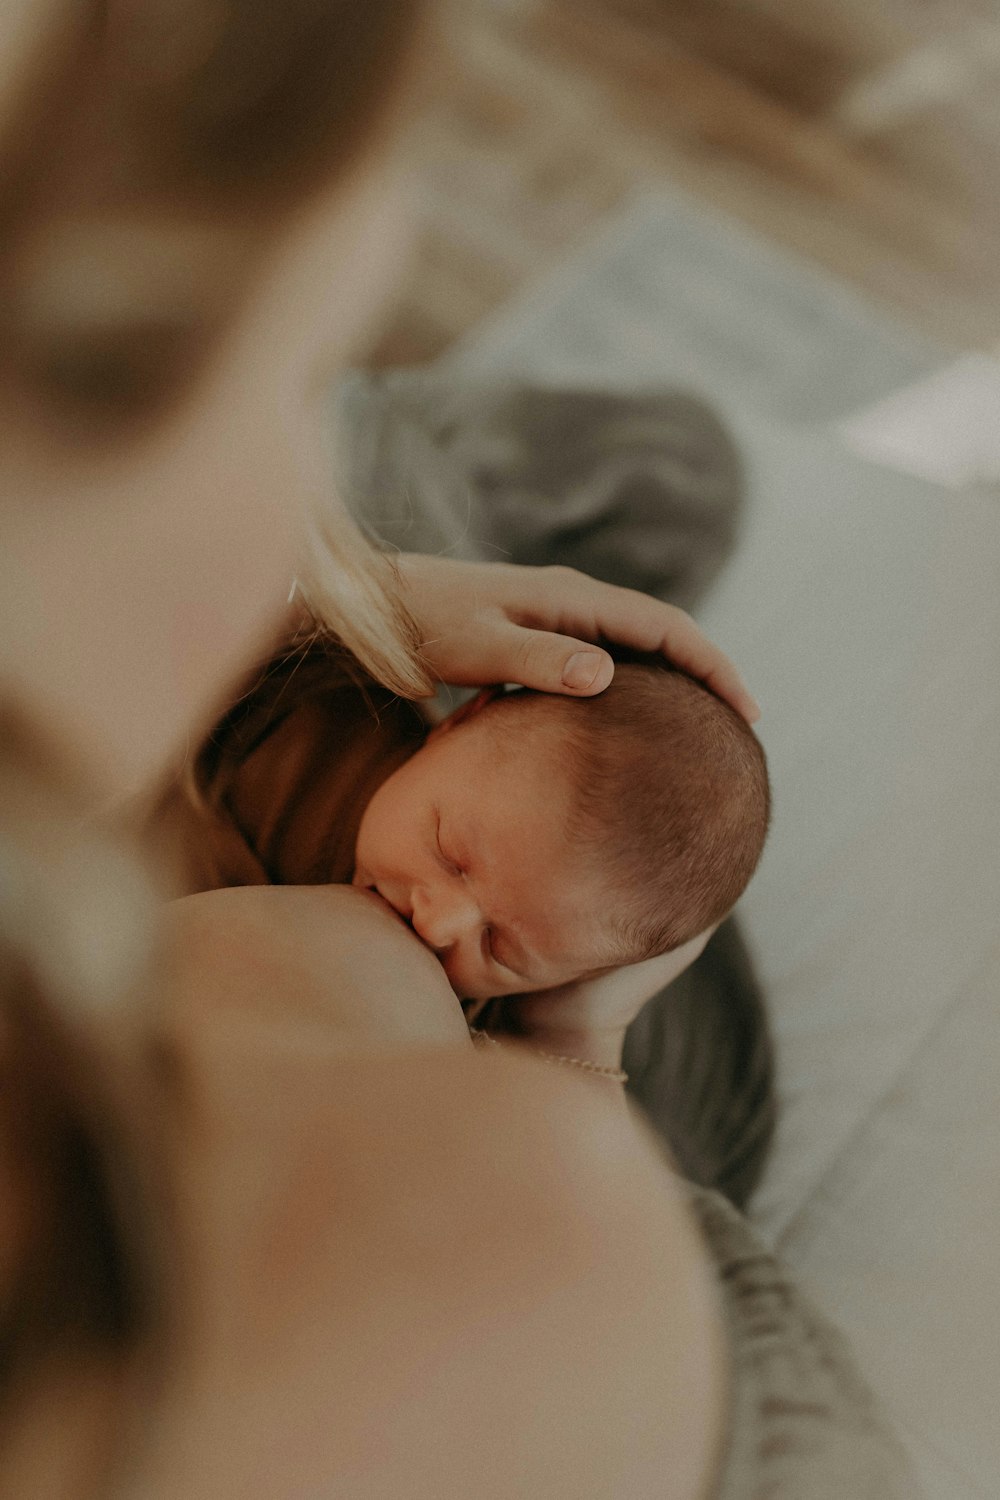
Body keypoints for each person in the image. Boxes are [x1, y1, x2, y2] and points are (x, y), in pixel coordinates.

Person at [0, 3, 916, 1497]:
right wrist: (579, 1035)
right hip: (624, 1097)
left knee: (467, 514)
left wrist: (346, 606)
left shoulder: (437, 789)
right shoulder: (535, 1249)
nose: (441, 920)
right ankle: (665, 474)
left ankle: (665, 475)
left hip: (576, 931)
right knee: (431, 476)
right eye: (291, 382)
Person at [150, 641, 770, 1010]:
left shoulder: (452, 1026)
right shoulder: (319, 700)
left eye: (500, 949)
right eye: (450, 853)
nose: (438, 924)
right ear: (459, 723)